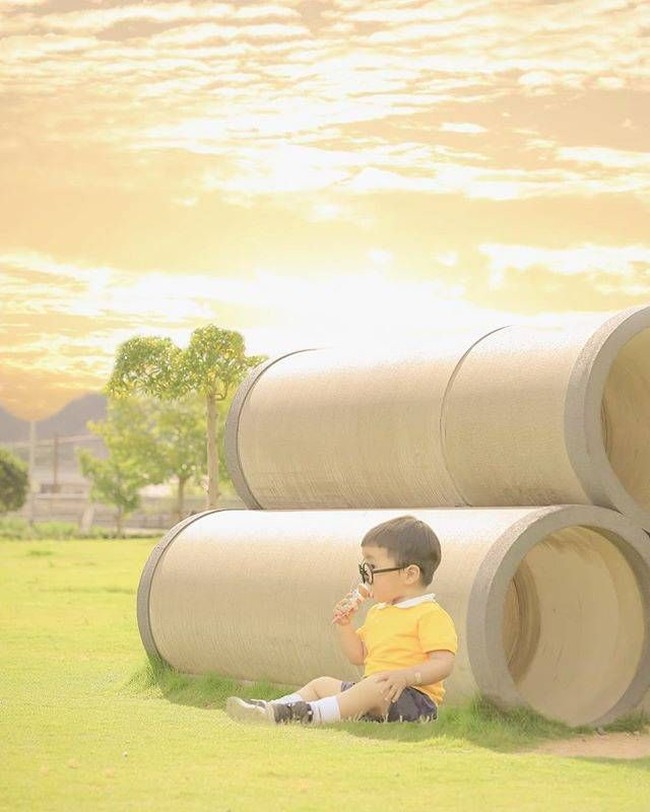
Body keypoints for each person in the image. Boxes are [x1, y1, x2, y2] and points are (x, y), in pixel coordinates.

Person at [225, 515, 457, 726]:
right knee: (321, 684)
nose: (365, 576)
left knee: (375, 685)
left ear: (409, 574)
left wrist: (407, 676)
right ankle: (273, 708)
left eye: (372, 567)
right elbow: (358, 656)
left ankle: (306, 714)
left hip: (413, 699)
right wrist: (346, 625)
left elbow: (443, 663)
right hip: (373, 691)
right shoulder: (379, 612)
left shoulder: (429, 614)